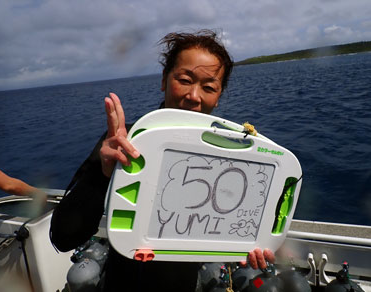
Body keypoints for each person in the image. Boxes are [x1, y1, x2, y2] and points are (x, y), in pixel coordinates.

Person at [50, 30, 274, 291]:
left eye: (209, 87)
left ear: (219, 96)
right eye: (184, 79)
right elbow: (64, 237)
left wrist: (247, 247)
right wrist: (103, 173)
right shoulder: (126, 141)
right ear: (164, 81)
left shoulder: (230, 157)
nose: (194, 96)